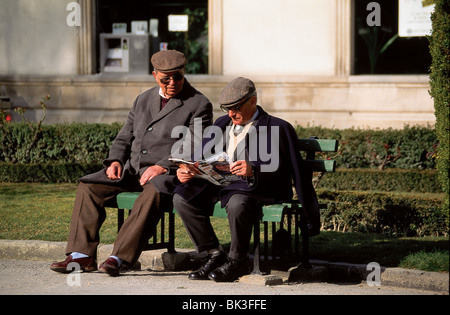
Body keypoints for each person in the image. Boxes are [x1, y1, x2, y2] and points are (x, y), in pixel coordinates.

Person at [50, 50, 213, 277]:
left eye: (178, 77)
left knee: (154, 191)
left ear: (184, 73)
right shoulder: (143, 99)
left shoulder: (199, 103)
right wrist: (115, 160)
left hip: (167, 175)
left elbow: (193, 146)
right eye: (166, 79)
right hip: (132, 171)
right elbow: (124, 136)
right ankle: (81, 255)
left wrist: (163, 166)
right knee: (89, 186)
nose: (173, 83)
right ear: (155, 75)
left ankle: (120, 257)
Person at [173, 77, 320, 282]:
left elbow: (292, 170)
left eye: (236, 108)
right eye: (227, 108)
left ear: (253, 101)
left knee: (237, 203)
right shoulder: (222, 123)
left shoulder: (278, 128)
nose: (231, 114)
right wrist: (189, 170)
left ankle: (237, 260)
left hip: (258, 188)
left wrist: (254, 170)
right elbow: (201, 157)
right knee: (182, 197)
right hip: (222, 183)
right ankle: (214, 254)